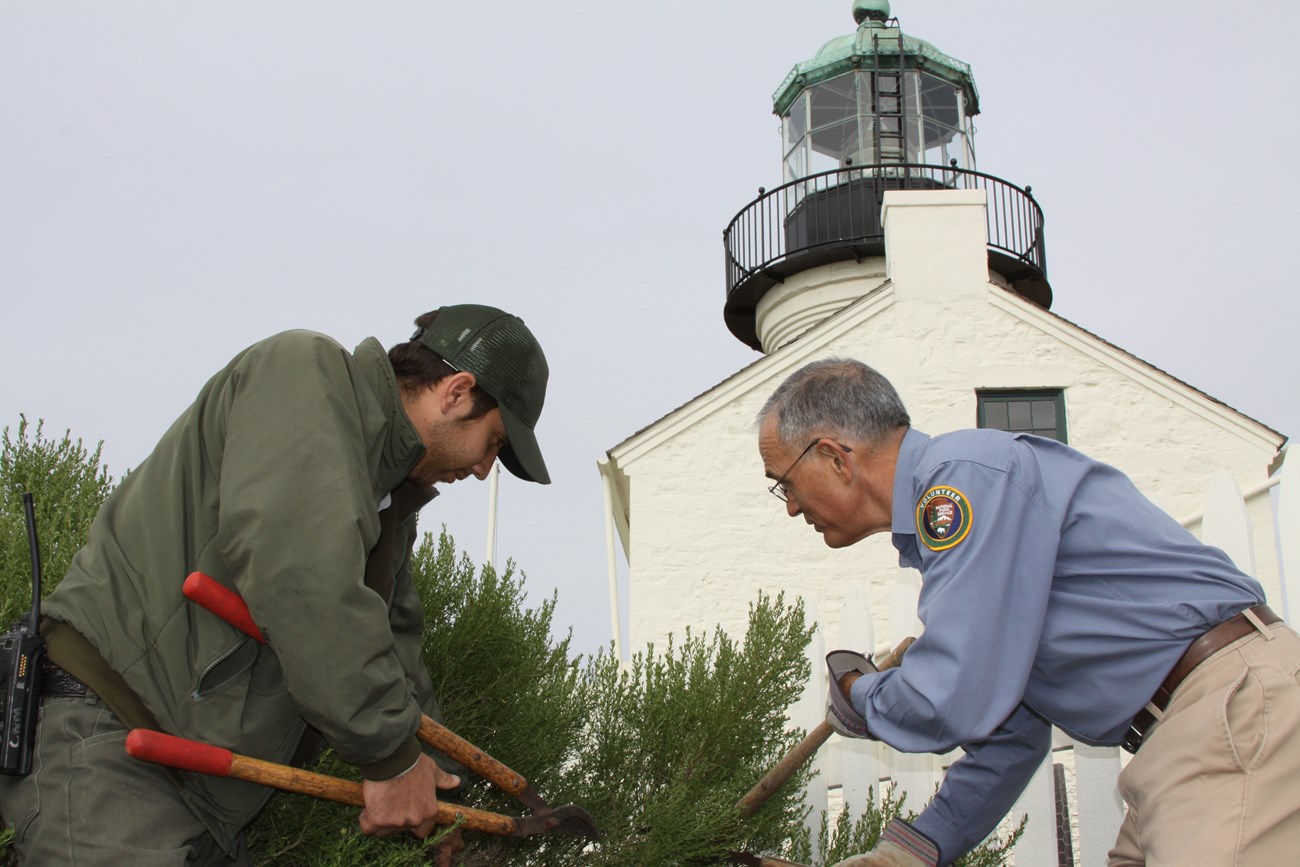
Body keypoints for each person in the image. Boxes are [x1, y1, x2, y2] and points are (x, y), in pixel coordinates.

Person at [0, 304, 551, 866]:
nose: (485, 470)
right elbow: (301, 579)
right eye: (493, 443)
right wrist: (391, 759)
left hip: (194, 794)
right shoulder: (305, 375)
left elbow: (393, 652)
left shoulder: (388, 500)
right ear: (457, 391)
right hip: (109, 738)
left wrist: (438, 789)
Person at [755, 358, 1300, 867]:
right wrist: (912, 851)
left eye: (784, 483)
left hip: (1229, 710)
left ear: (834, 456)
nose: (793, 505)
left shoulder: (962, 481)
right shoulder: (959, 508)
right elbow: (1012, 733)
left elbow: (949, 695)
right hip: (1188, 731)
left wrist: (860, 694)